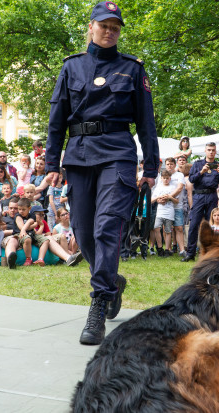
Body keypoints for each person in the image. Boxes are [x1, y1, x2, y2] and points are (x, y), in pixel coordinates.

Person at [45, 1, 160, 345]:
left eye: (115, 27)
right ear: (91, 27)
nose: (109, 31)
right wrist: (52, 163)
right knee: (83, 230)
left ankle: (98, 303)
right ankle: (112, 281)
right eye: (104, 25)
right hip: (79, 155)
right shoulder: (72, 67)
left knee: (107, 226)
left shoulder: (132, 69)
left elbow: (146, 123)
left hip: (117, 154)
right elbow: (55, 120)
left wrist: (151, 166)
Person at [182, 142, 219, 262]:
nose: (211, 152)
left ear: (215, 152)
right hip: (199, 196)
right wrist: (201, 172)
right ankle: (190, 253)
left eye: (213, 150)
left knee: (211, 225)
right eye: (209, 150)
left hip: (212, 195)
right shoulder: (197, 164)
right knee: (194, 224)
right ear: (205, 151)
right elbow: (191, 179)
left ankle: (210, 253)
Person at [151, 169, 177, 256]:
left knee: (168, 231)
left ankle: (167, 249)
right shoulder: (158, 188)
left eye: (167, 178)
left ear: (170, 178)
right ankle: (159, 247)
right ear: (161, 178)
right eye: (164, 178)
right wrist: (159, 198)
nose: (166, 180)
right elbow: (151, 200)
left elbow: (176, 201)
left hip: (169, 212)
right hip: (160, 212)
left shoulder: (173, 187)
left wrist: (169, 198)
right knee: (156, 228)